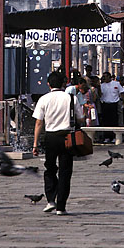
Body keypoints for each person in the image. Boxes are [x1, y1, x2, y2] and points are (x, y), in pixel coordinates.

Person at [32, 71, 84, 215]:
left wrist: (35, 143)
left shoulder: (43, 99)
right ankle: (61, 206)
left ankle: (50, 199)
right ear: (63, 83)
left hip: (51, 137)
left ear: (48, 84)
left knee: (49, 168)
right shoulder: (71, 98)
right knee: (65, 172)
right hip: (67, 136)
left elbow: (38, 123)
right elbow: (80, 119)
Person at [99, 72, 124, 142]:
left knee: (114, 121)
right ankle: (107, 136)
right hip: (105, 104)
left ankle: (114, 136)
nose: (104, 78)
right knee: (106, 121)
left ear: (109, 77)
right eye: (103, 77)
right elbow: (100, 95)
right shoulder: (102, 85)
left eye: (106, 76)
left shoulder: (116, 84)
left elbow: (122, 92)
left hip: (114, 104)